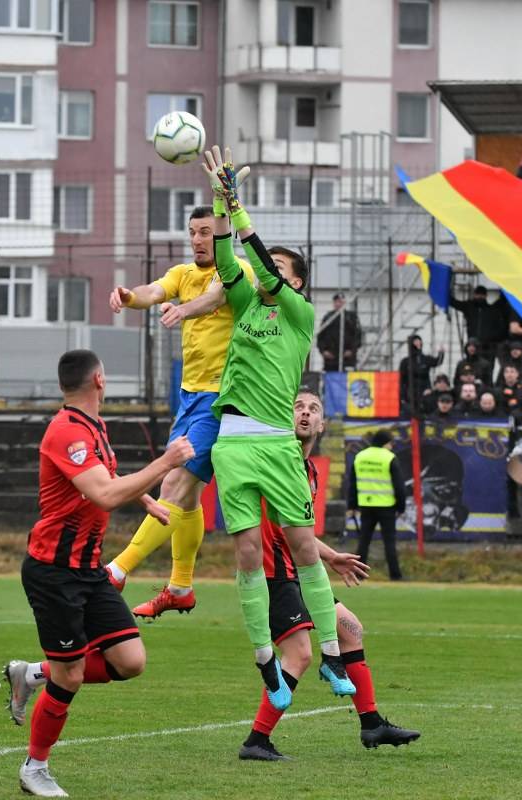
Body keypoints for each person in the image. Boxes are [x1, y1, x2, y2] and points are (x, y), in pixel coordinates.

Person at [203, 144, 356, 709]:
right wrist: (221, 204)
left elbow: (260, 263)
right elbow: (227, 262)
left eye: (282, 271)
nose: (266, 275)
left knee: (303, 548)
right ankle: (266, 659)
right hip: (233, 443)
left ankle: (332, 656)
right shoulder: (246, 306)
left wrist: (241, 211)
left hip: (273, 442)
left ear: (296, 283)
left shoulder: (298, 313)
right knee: (246, 553)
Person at [3, 350, 194, 798]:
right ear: (99, 380)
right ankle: (35, 767)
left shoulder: (93, 427)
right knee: (69, 677)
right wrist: (165, 463)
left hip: (88, 570)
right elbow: (104, 493)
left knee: (130, 661)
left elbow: (105, 478)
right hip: (54, 572)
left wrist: (143, 497)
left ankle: (31, 674)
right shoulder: (66, 430)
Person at [240, 390, 419, 762]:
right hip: (274, 576)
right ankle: (257, 740)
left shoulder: (309, 470)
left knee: (350, 629)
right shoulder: (276, 459)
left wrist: (332, 555)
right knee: (300, 654)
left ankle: (371, 724)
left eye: (313, 409)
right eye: (298, 407)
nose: (305, 413)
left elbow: (299, 532)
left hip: (299, 574)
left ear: (322, 424)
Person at [105, 207, 256, 619]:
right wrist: (128, 296)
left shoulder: (237, 268)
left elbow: (219, 296)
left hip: (221, 399)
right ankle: (181, 586)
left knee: (173, 483)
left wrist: (184, 310)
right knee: (186, 497)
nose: (198, 239)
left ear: (220, 234)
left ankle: (117, 571)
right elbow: (153, 292)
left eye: (206, 232)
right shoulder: (182, 273)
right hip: (190, 397)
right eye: (192, 232)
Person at [347, 430, 406, 581]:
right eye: (390, 443)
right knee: (389, 542)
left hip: (366, 505)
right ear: (385, 442)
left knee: (364, 541)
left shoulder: (360, 456)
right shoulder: (389, 457)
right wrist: (401, 507)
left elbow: (352, 484)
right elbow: (399, 486)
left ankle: (359, 574)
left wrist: (352, 506)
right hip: (387, 506)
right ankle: (395, 575)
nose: (392, 446)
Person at [449, 285, 508, 364]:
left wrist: (492, 338)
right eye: (478, 294)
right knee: (472, 369)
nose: (480, 296)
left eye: (482, 295)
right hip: (473, 346)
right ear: (474, 295)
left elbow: (503, 300)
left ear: (486, 296)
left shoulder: (492, 310)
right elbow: (453, 302)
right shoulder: (469, 307)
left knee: (488, 370)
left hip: (488, 347)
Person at [398, 334, 444, 413]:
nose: (418, 343)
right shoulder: (405, 362)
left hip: (425, 390)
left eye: (419, 341)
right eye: (416, 341)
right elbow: (402, 380)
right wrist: (402, 396)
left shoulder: (425, 359)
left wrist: (441, 353)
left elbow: (437, 362)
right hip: (411, 391)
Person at [317, 293, 362, 372]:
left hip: (347, 358)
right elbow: (321, 335)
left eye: (341, 302)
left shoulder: (351, 317)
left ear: (344, 303)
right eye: (336, 302)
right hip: (331, 358)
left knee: (347, 379)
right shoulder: (328, 317)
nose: (338, 304)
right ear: (334, 303)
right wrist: (324, 351)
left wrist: (352, 350)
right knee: (331, 379)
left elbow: (358, 335)